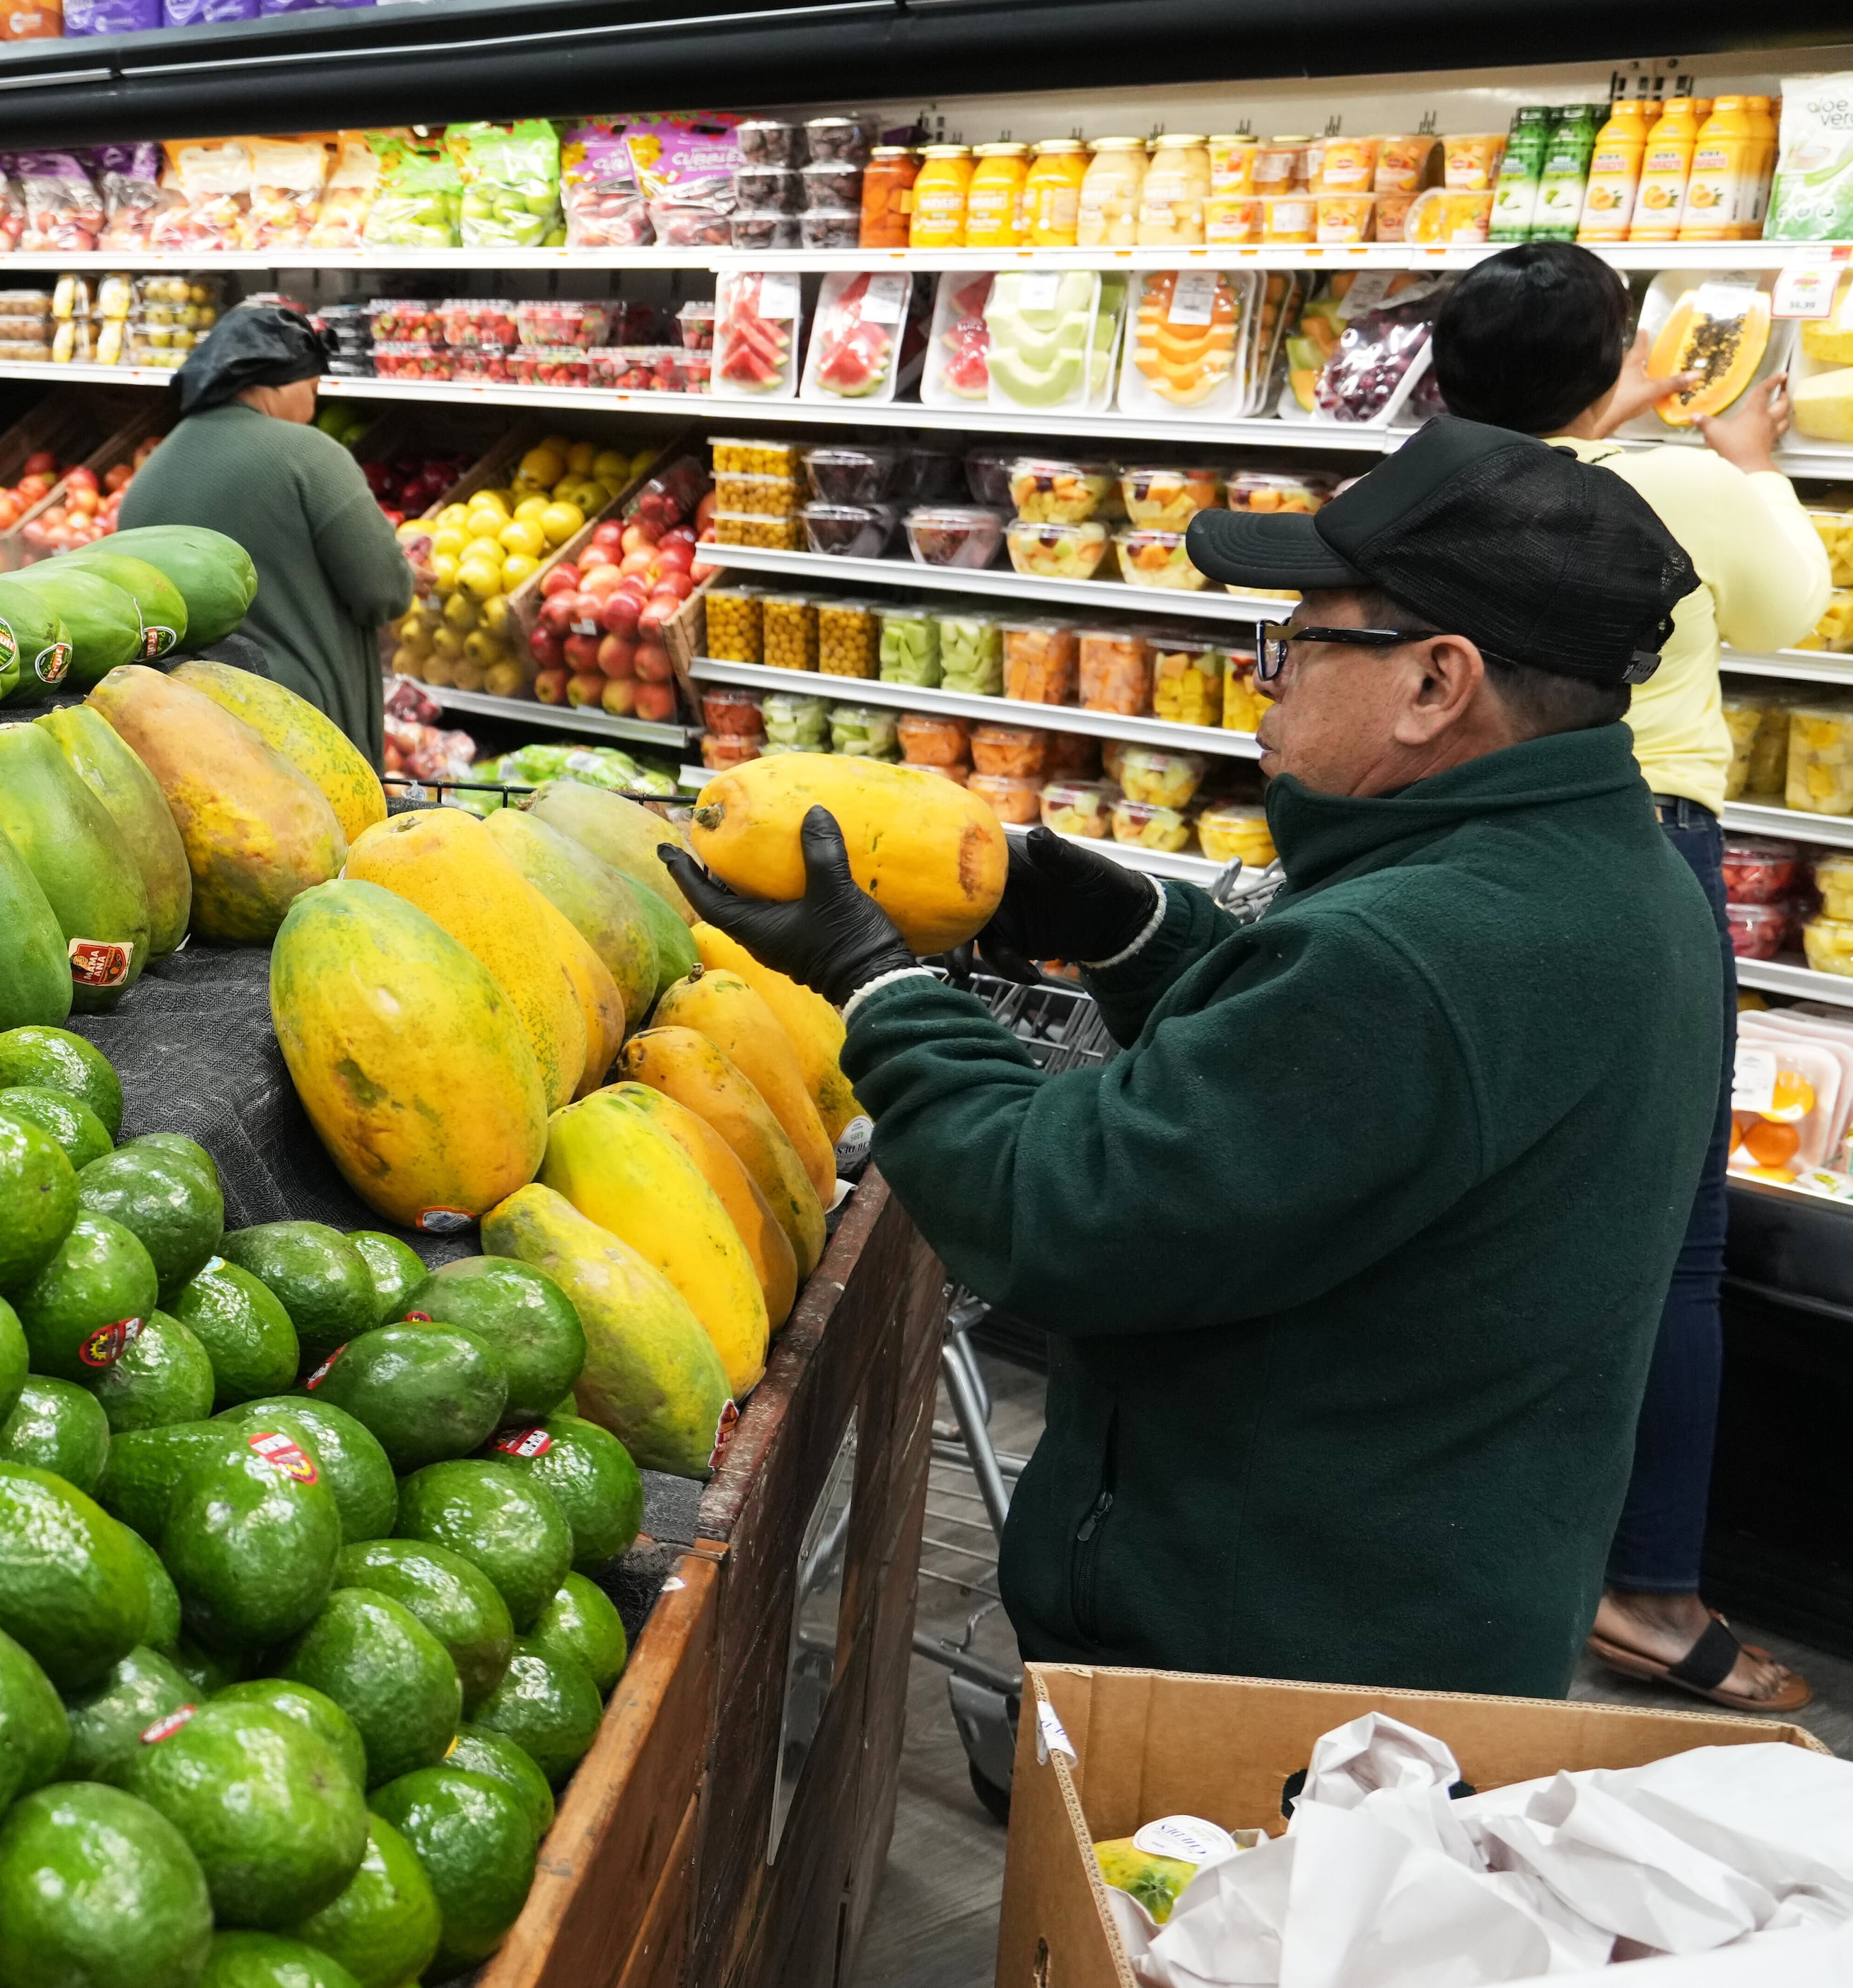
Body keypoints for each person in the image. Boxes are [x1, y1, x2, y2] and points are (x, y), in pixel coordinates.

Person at [676, 419, 1725, 1700]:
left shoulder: (1413, 952)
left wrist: (877, 982)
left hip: (1272, 1667)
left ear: (1436, 683)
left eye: (1301, 639)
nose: (1263, 677)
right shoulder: (1622, 881)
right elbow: (1347, 1122)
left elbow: (1055, 1208)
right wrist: (1133, 928)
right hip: (1433, 1613)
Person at [1430, 241, 1828, 1715]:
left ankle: (1474, 1537)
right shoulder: (1673, 484)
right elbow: (1787, 605)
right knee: (1670, 1241)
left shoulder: (1426, 480)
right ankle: (1650, 1590)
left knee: (1475, 1205)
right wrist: (1739, 452)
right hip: (1634, 842)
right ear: (1621, 365)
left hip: (1454, 855)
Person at [114, 305, 413, 759]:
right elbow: (383, 591)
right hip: (303, 732)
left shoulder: (147, 478)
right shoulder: (308, 454)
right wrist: (403, 569)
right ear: (278, 382)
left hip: (185, 735)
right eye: (313, 388)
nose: (314, 407)